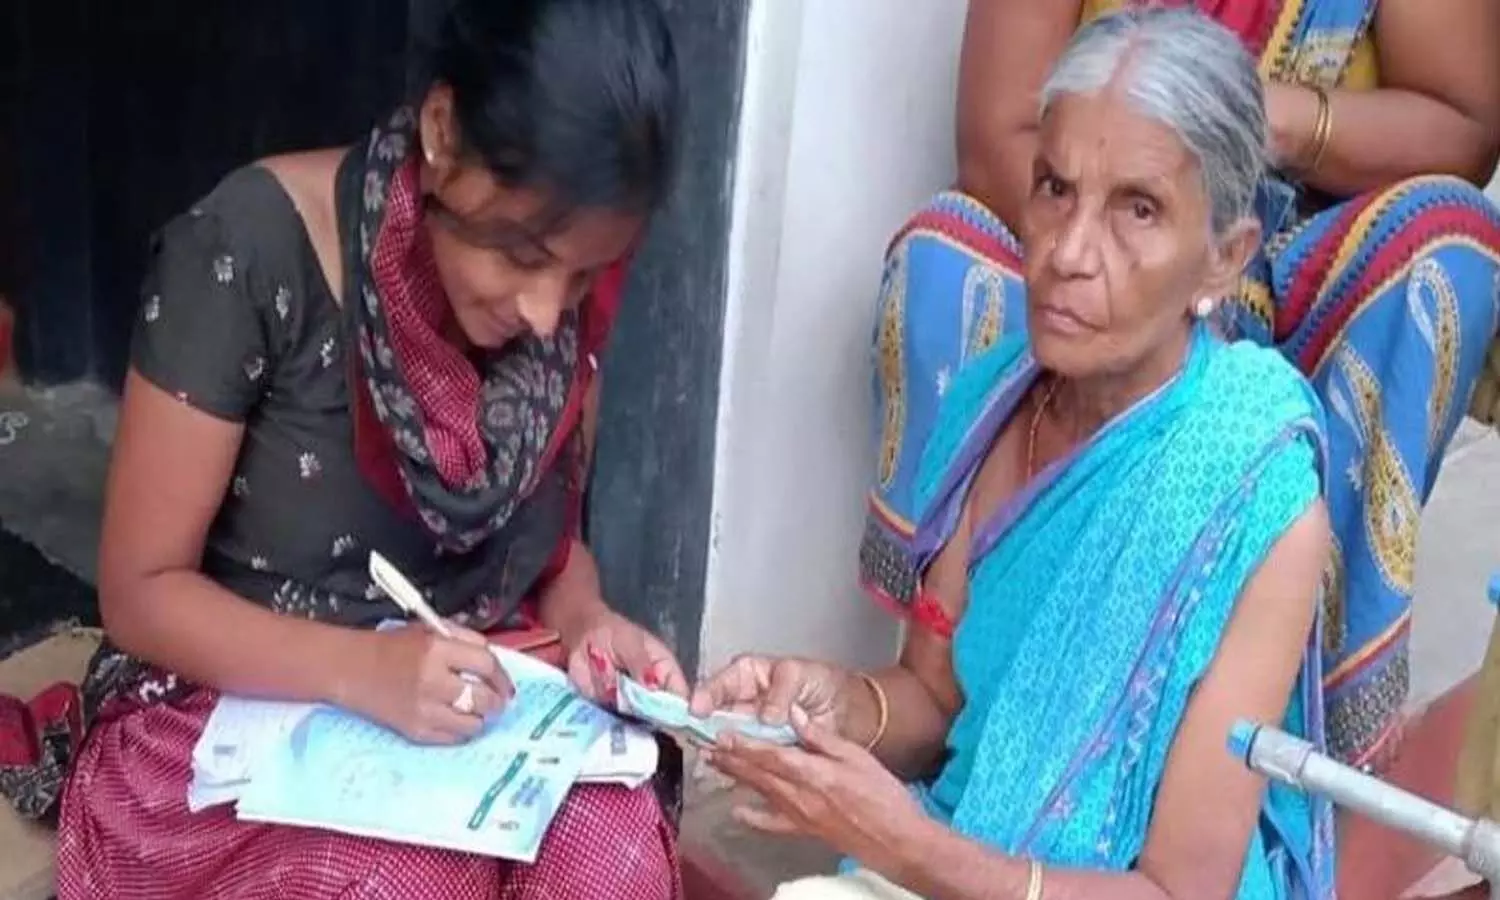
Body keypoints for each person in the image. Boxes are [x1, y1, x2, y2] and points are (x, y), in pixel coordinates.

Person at [0, 1, 689, 897]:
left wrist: (591, 622)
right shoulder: (248, 253)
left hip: (477, 714)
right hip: (232, 720)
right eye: (524, 253)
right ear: (442, 130)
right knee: (386, 882)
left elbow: (549, 548)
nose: (548, 313)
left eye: (585, 275)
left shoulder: (554, 310)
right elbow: (140, 595)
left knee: (615, 854)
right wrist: (365, 672)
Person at [696, 10, 1335, 899]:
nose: (1069, 253)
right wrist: (830, 702)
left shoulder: (1256, 497)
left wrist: (906, 844)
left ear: (1223, 260)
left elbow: (1179, 890)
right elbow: (933, 704)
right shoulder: (995, 400)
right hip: (960, 855)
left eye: (1137, 210)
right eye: (1054, 188)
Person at [859, 0, 1500, 779]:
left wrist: (1266, 124)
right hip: (1117, 284)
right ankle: (944, 705)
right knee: (946, 266)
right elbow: (1000, 139)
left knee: (1448, 252)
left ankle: (1307, 738)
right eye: (1055, 189)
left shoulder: (1268, 486)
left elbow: (1461, 131)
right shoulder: (1015, 357)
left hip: (1294, 261)